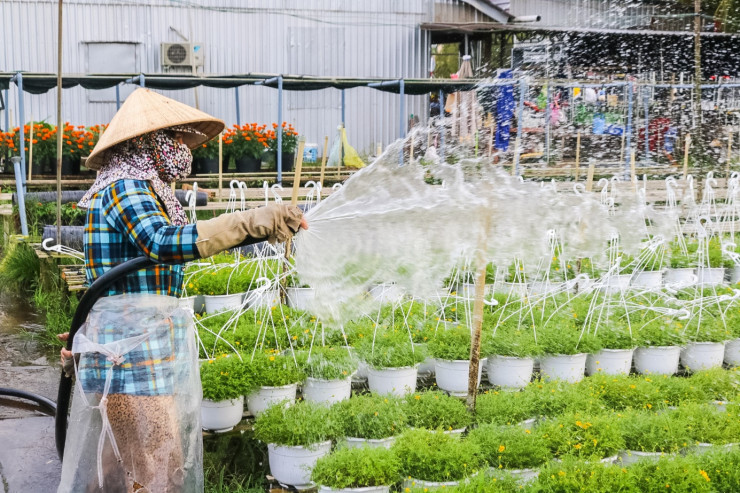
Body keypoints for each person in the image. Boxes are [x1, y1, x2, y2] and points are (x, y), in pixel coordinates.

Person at [57, 89, 306, 492]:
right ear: (145, 142)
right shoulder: (127, 186)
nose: (181, 148)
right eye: (173, 138)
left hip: (139, 343)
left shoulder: (145, 185)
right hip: (132, 355)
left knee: (122, 470)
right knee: (154, 467)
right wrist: (249, 222)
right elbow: (162, 242)